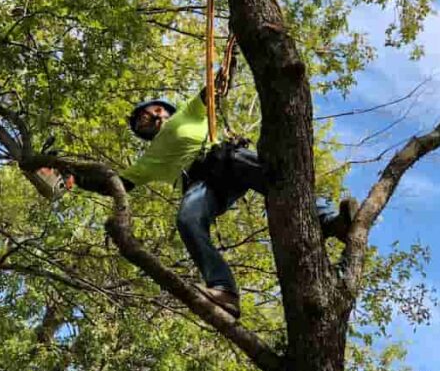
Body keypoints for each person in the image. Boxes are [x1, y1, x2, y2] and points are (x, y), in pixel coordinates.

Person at [120, 92, 356, 319]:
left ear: (164, 111)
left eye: (150, 113)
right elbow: (119, 182)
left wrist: (226, 68)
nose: (146, 119)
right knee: (187, 220)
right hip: (201, 183)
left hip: (226, 159)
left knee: (278, 177)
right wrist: (82, 179)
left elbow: (212, 91)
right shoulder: (149, 160)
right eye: (140, 121)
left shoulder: (185, 114)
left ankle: (330, 221)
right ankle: (224, 290)